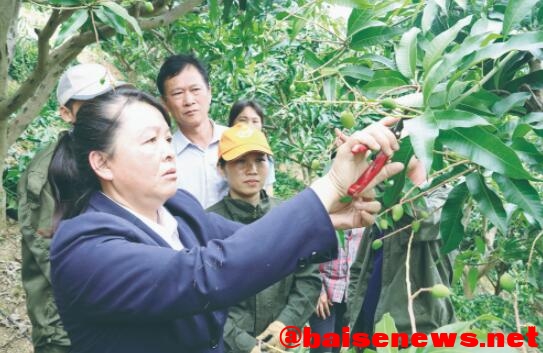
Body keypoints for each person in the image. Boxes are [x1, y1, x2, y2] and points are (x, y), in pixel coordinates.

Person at [47, 87, 403, 353]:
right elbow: (207, 271)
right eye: (150, 140)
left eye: (167, 137)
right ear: (102, 163)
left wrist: (330, 210)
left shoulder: (177, 210)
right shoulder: (84, 248)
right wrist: (328, 185)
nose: (168, 150)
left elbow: (252, 242)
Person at [17, 63, 121, 353]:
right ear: (66, 113)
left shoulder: (114, 154)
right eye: (92, 104)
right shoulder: (47, 171)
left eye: (109, 99)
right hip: (66, 328)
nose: (104, 110)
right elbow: (51, 257)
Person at [207, 124, 321, 353]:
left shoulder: (289, 216)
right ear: (221, 168)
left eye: (260, 160)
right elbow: (203, 300)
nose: (252, 169)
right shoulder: (207, 224)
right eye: (240, 161)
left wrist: (285, 324)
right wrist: (244, 344)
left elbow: (309, 279)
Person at [348, 157, 455, 341]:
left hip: (415, 332)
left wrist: (374, 177)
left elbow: (422, 221)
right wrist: (353, 309)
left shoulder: (447, 197)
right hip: (367, 328)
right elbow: (361, 264)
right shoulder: (384, 202)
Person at [156, 54, 228, 208]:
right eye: (177, 93)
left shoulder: (238, 140)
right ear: (165, 103)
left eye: (195, 89)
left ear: (209, 91)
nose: (189, 101)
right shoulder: (162, 157)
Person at [308, 228, 363, 353]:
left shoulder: (367, 219)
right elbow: (307, 254)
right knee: (323, 345)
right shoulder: (325, 218)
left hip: (349, 292)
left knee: (335, 346)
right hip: (324, 292)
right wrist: (317, 290)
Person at [227, 100, 275, 195]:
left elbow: (268, 189)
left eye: (255, 121)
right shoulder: (225, 152)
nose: (249, 126)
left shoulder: (265, 153)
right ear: (232, 124)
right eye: (243, 120)